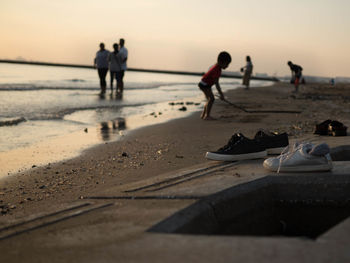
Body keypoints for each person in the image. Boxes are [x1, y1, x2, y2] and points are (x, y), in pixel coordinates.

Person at [198, 51, 231, 120]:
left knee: (209, 100)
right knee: (211, 99)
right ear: (221, 62)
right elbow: (217, 84)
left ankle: (204, 115)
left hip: (205, 84)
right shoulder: (217, 70)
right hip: (204, 85)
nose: (227, 66)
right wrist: (221, 94)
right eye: (227, 64)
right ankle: (207, 116)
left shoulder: (217, 67)